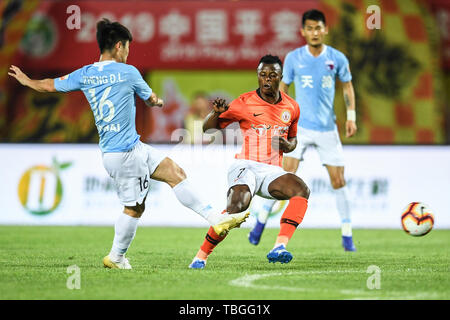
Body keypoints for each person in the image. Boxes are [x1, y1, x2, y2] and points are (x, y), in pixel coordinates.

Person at [8, 18, 248, 269]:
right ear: (119, 46)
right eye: (128, 48)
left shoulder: (86, 74)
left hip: (131, 147)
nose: (128, 53)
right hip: (123, 154)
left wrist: (27, 81)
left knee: (175, 173)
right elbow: (151, 98)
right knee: (134, 208)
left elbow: (49, 85)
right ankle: (116, 258)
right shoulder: (128, 72)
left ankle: (216, 218)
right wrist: (156, 101)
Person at [248, 9, 358, 252]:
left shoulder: (337, 58)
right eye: (309, 28)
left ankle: (347, 234)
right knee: (283, 178)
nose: (314, 32)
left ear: (325, 30)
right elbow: (282, 90)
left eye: (318, 28)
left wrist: (351, 116)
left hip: (328, 129)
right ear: (303, 31)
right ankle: (261, 222)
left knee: (338, 180)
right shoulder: (294, 58)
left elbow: (347, 86)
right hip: (300, 128)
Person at [189, 55, 310, 269]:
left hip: (271, 171)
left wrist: (286, 146)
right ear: (258, 76)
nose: (266, 80)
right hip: (245, 166)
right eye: (262, 75)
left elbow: (293, 141)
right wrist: (215, 114)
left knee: (301, 189)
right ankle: (201, 255)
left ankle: (279, 247)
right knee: (238, 205)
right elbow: (208, 128)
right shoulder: (244, 102)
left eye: (272, 75)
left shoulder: (292, 107)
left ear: (280, 77)